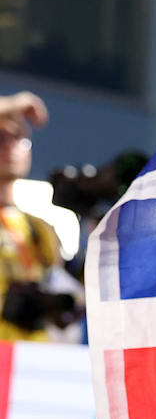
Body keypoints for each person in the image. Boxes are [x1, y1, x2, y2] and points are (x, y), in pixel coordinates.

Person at [0, 91, 68, 342]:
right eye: (0, 137)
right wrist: (12, 104)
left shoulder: (39, 227)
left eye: (19, 138)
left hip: (30, 356)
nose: (10, 146)